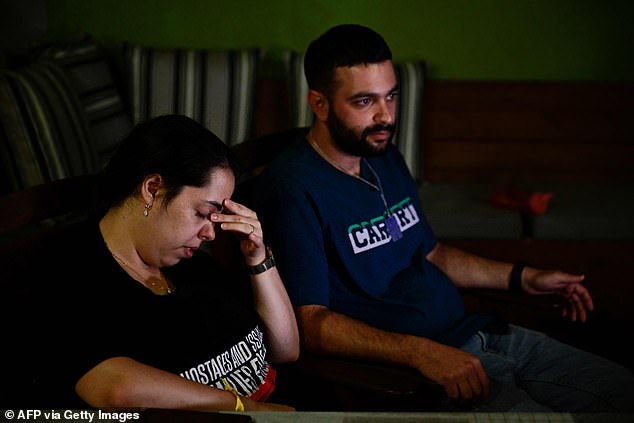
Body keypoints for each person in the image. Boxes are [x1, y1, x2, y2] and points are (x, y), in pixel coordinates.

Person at [252, 24, 634, 412]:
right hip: (421, 368)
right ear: (319, 104)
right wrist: (422, 354)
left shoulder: (381, 155)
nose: (385, 117)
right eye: (365, 102)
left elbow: (433, 254)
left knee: (621, 389)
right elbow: (311, 322)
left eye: (391, 96)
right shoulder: (292, 190)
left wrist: (523, 277)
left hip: (480, 332)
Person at [32, 114, 299, 412]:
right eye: (202, 213)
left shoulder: (191, 263)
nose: (211, 233)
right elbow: (115, 387)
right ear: (153, 188)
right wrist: (242, 408)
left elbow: (286, 350)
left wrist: (258, 258)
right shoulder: (74, 271)